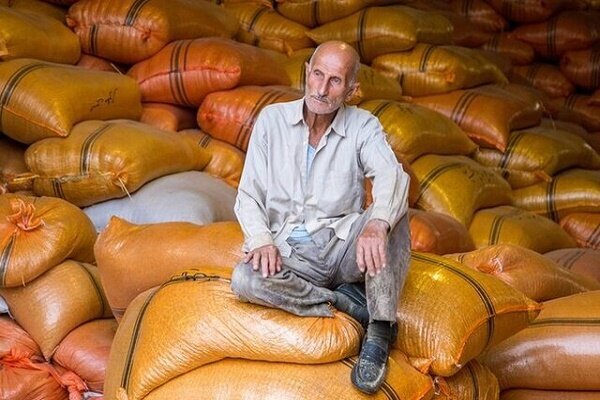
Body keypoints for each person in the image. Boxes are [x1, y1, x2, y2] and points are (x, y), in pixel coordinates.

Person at [230, 40, 411, 394]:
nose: (322, 89)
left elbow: (392, 175)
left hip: (344, 246)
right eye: (317, 74)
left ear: (352, 90)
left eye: (335, 81)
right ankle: (343, 302)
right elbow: (248, 194)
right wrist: (262, 240)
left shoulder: (363, 126)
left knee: (395, 210)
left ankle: (380, 328)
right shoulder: (272, 121)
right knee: (245, 279)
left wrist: (378, 223)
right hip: (292, 253)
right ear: (306, 73)